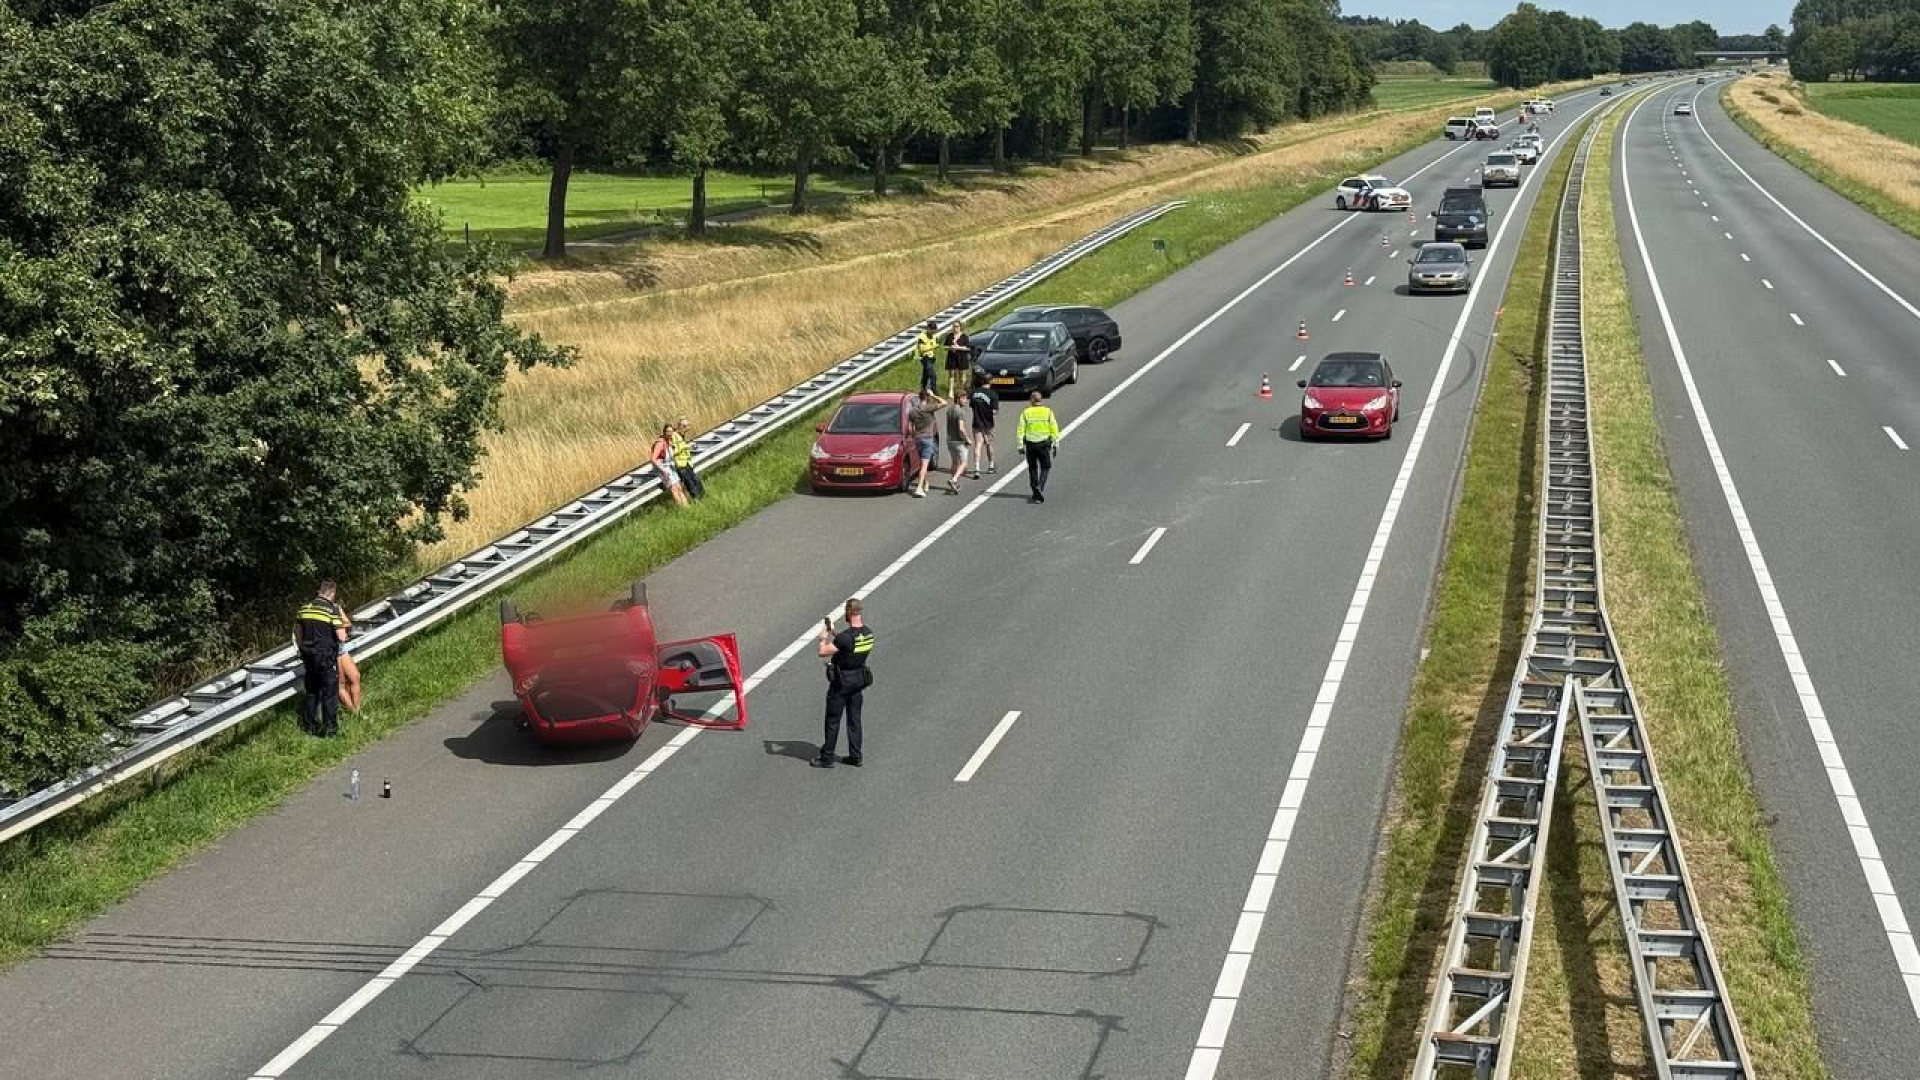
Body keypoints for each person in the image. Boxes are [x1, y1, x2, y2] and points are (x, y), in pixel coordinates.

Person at [813, 598, 874, 769]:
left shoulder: (846, 638)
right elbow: (849, 643)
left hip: (841, 683)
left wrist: (823, 638)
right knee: (854, 719)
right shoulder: (869, 634)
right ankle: (856, 755)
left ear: (848, 613)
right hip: (858, 681)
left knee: (833, 720)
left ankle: (827, 757)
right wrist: (835, 633)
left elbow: (823, 652)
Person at [294, 581, 348, 736]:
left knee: (311, 692)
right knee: (329, 694)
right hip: (326, 657)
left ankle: (309, 728)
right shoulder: (332, 609)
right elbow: (341, 636)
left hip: (308, 657)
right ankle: (330, 730)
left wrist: (301, 648)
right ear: (332, 593)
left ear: (319, 592)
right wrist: (343, 629)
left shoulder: (304, 608)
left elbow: (298, 632)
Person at [1016, 390, 1061, 504]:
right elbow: (1054, 428)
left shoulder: (1026, 413)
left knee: (1032, 468)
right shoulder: (1048, 412)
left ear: (1031, 400)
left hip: (1030, 444)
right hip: (1044, 444)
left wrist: (1020, 445)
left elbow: (1020, 430)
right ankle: (1040, 487)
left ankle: (1035, 488)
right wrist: (1056, 443)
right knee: (1046, 467)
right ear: (1041, 400)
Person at [907, 388, 946, 498]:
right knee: (924, 465)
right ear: (927, 397)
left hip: (918, 438)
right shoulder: (929, 408)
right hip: (928, 438)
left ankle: (925, 483)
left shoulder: (912, 411)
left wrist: (915, 436)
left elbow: (910, 428)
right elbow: (944, 402)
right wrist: (934, 395)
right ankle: (919, 488)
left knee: (922, 463)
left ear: (919, 397)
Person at [650, 422, 690, 508]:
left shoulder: (670, 442)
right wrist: (663, 471)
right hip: (662, 468)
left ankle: (687, 507)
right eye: (668, 432)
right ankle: (681, 508)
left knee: (679, 487)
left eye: (671, 432)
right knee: (674, 488)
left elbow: (671, 456)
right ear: (664, 432)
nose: (669, 434)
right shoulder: (660, 443)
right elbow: (653, 459)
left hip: (669, 466)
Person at [967, 369, 998, 479]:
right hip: (988, 423)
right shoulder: (993, 395)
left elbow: (971, 405)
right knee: (988, 444)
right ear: (990, 382)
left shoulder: (974, 393)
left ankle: (977, 468)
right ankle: (991, 465)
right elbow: (994, 411)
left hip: (976, 422)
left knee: (978, 444)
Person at [670, 415, 705, 500]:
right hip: (680, 465)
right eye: (684, 426)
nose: (686, 429)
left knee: (696, 481)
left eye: (688, 426)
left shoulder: (682, 435)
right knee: (690, 484)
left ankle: (703, 497)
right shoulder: (673, 436)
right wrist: (685, 447)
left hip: (687, 463)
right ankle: (697, 500)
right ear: (679, 426)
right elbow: (672, 452)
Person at [336, 608, 363, 712]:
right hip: (331, 651)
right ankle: (354, 713)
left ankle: (358, 709)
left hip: (342, 649)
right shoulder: (316, 611)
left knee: (355, 677)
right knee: (341, 684)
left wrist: (338, 626)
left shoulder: (335, 607)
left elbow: (347, 622)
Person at [943, 394, 970, 495]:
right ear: (958, 399)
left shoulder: (949, 410)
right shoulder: (960, 412)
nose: (966, 401)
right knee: (964, 463)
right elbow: (961, 429)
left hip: (950, 440)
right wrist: (967, 439)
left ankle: (954, 483)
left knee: (954, 462)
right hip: (959, 441)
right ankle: (954, 480)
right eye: (964, 399)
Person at [942, 320, 975, 399]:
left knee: (962, 374)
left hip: (962, 357)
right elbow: (945, 347)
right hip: (952, 357)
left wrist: (958, 347)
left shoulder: (964, 336)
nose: (955, 328)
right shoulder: (949, 336)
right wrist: (950, 348)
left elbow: (968, 348)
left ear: (960, 327)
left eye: (957, 326)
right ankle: (951, 391)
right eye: (954, 326)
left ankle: (962, 390)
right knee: (951, 374)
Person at [913, 319, 940, 395]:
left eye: (935, 331)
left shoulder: (932, 336)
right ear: (928, 328)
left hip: (931, 358)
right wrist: (933, 347)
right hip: (925, 358)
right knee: (933, 375)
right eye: (932, 330)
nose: (933, 332)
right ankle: (934, 391)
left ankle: (922, 391)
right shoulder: (922, 337)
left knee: (925, 376)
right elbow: (921, 349)